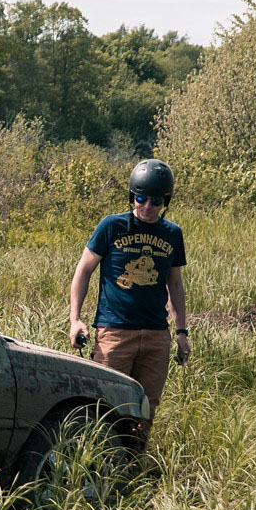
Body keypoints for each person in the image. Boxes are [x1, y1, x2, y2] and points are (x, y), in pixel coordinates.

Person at [68, 159, 190, 444]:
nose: (147, 206)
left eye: (155, 201)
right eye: (141, 198)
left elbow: (175, 284)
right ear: (131, 196)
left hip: (156, 335)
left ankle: (133, 466)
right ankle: (100, 463)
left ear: (165, 202)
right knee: (106, 404)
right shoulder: (112, 226)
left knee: (146, 409)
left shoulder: (172, 234)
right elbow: (83, 270)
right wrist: (75, 319)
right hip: (115, 332)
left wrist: (181, 331)